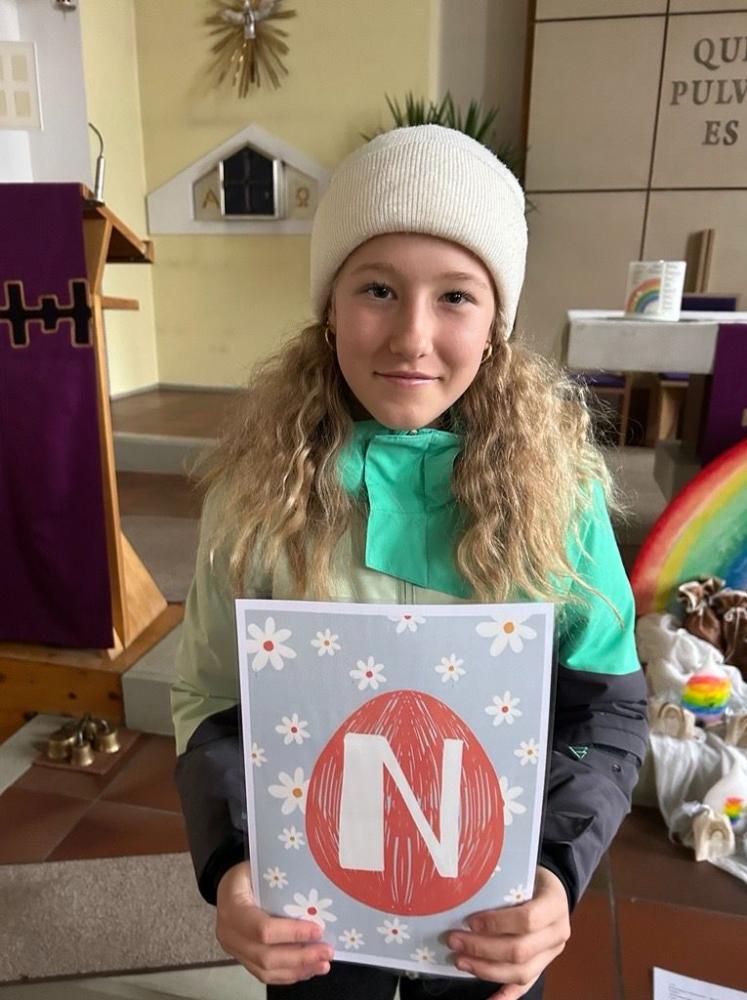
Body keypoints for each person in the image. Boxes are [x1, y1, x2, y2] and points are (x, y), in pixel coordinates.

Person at [172, 125, 648, 1000]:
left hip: (487, 921)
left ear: (496, 322)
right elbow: (212, 700)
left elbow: (607, 707)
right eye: (378, 289)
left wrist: (555, 871)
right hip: (314, 917)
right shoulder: (255, 498)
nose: (411, 337)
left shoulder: (561, 496)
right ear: (330, 304)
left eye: (456, 296)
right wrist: (234, 859)